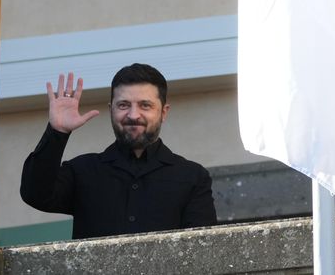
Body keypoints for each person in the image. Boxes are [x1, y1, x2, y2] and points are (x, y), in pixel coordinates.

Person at [21, 63, 217, 239]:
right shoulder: (82, 171)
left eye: (145, 105)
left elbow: (202, 251)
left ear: (163, 112)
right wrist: (57, 132)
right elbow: (35, 195)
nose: (133, 115)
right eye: (123, 105)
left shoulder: (193, 177)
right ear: (111, 110)